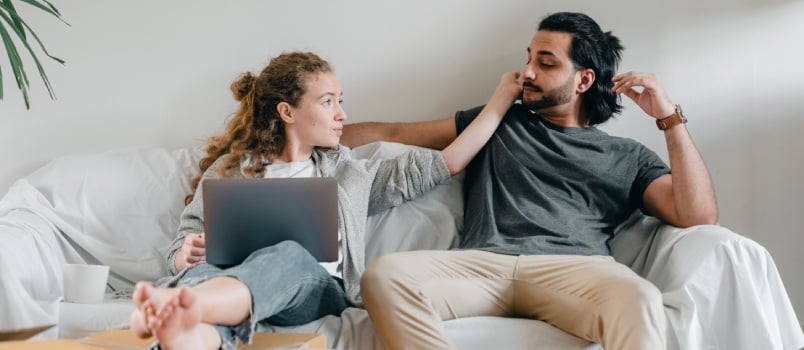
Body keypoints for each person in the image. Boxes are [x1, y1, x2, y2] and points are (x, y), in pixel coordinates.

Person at [343, 12, 719, 350]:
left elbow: (697, 215)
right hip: (481, 264)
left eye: (546, 63)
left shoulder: (626, 155)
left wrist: (668, 117)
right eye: (528, 59)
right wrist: (304, 135)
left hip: (574, 269)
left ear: (584, 79)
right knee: (385, 275)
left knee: (639, 298)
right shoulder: (499, 120)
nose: (528, 72)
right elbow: (393, 131)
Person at [127, 51, 522, 350]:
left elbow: (449, 160)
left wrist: (502, 98)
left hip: (310, 289)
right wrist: (187, 255)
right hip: (220, 279)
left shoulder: (350, 176)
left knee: (287, 255)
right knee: (202, 282)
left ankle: (187, 305)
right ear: (288, 112)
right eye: (328, 101)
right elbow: (182, 245)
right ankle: (182, 327)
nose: (341, 113)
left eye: (339, 100)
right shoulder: (230, 171)